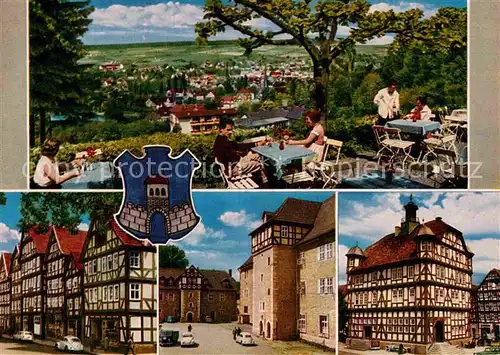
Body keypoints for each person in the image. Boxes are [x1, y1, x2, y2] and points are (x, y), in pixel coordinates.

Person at [213, 118, 268, 186]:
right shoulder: (222, 143)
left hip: (236, 162)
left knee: (256, 156)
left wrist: (256, 144)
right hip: (234, 168)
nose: (230, 132)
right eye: (228, 130)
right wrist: (239, 154)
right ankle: (265, 183)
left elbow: (238, 146)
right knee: (258, 163)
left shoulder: (222, 139)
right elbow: (226, 156)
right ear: (221, 129)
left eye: (231, 130)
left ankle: (262, 179)